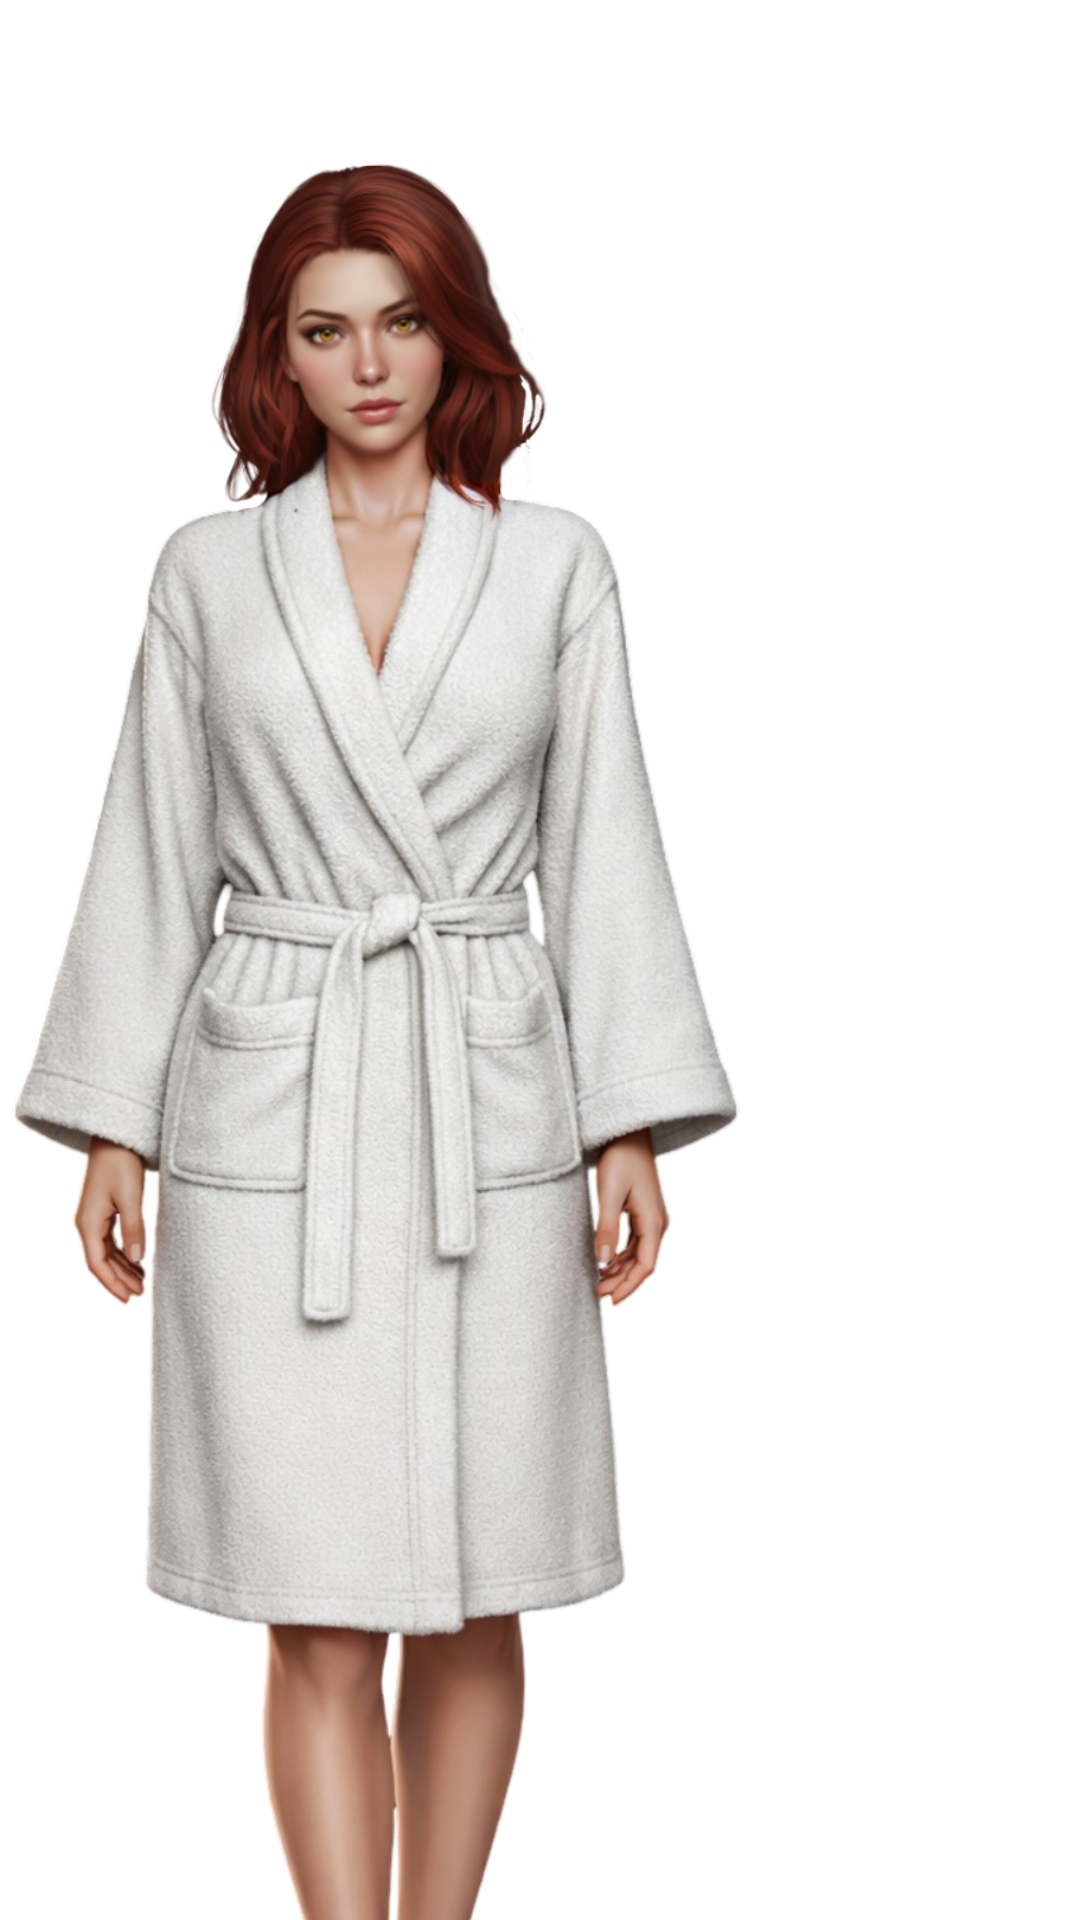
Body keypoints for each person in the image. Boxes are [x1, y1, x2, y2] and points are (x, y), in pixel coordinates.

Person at [11, 163, 739, 1917]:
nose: (368, 366)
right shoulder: (208, 571)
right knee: (315, 1603)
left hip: (486, 1093)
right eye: (324, 331)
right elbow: (150, 841)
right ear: (274, 354)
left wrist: (627, 1122)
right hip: (284, 1097)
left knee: (483, 1589)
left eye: (403, 323)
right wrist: (117, 1124)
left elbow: (607, 844)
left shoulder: (555, 562)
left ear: (457, 334)